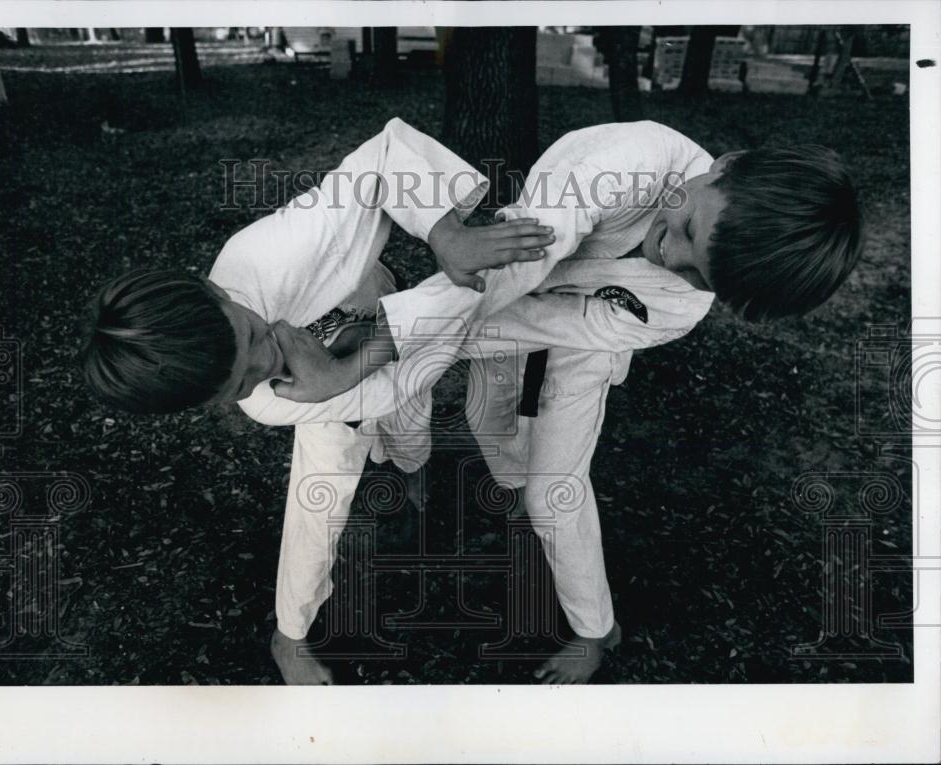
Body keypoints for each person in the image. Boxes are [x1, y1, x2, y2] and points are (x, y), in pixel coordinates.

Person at [274, 121, 864, 683]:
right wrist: (381, 350)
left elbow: (542, 321)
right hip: (523, 261)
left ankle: (594, 629)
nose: (670, 256)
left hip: (586, 328)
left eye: (699, 275)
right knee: (463, 402)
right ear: (724, 167)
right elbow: (505, 276)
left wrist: (375, 352)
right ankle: (392, 501)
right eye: (687, 227)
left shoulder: (680, 304)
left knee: (554, 488)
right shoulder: (625, 164)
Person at [80, 117, 558, 684]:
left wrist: (446, 236)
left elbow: (383, 157)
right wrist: (336, 378)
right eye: (239, 383)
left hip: (378, 304)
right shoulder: (268, 399)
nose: (269, 362)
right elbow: (369, 391)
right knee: (320, 497)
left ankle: (412, 478)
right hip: (353, 372)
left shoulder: (263, 257)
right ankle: (290, 636)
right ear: (213, 402)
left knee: (410, 423)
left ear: (214, 291)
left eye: (253, 335)